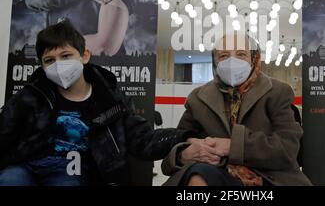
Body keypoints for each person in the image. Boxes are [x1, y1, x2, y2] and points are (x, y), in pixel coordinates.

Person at [0, 20, 194, 186]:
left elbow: (142, 139)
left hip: (73, 174)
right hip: (27, 166)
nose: (58, 65)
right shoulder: (31, 95)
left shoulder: (110, 100)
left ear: (84, 56)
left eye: (66, 56)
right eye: (49, 60)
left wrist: (183, 138)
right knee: (9, 179)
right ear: (42, 65)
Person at [161, 33, 311, 186]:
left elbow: (288, 149)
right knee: (197, 175)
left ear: (254, 59)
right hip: (215, 173)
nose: (232, 62)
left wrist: (232, 146)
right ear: (215, 61)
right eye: (224, 55)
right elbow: (174, 148)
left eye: (241, 54)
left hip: (267, 176)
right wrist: (182, 155)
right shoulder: (198, 99)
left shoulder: (278, 92)